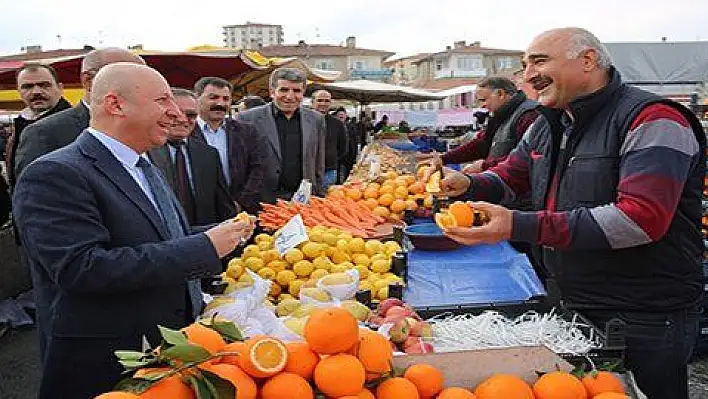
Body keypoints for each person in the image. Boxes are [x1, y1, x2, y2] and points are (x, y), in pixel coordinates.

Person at [440, 27, 705, 399]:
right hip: (574, 300)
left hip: (644, 312)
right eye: (524, 65)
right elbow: (513, 176)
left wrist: (519, 225)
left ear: (588, 60)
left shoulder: (653, 119)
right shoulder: (550, 124)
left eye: (539, 61)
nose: (528, 74)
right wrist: (470, 185)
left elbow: (638, 220)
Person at [12, 63, 254, 399]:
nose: (176, 113)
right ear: (115, 104)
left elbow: (160, 236)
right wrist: (203, 247)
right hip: (105, 362)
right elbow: (82, 268)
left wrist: (229, 233)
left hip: (162, 347)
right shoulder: (55, 173)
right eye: (162, 101)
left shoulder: (142, 163)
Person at [14, 47, 146, 180]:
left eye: (142, 80)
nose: (36, 92)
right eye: (125, 79)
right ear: (88, 81)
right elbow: (34, 193)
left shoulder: (150, 127)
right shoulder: (43, 134)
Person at [149, 88, 236, 225]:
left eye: (190, 115)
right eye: (175, 114)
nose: (183, 119)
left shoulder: (208, 154)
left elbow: (223, 206)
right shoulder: (145, 152)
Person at [237, 67, 326, 201]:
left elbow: (318, 162)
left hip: (302, 200)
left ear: (303, 93)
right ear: (272, 92)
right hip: (261, 199)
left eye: (296, 91)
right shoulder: (248, 118)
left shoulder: (316, 120)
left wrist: (318, 193)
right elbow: (240, 164)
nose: (290, 96)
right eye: (284, 90)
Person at [418, 77, 539, 175]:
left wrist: (484, 165)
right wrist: (444, 158)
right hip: (502, 186)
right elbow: (481, 143)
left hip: (520, 194)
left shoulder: (529, 115)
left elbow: (526, 158)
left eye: (483, 100)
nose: (482, 106)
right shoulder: (500, 115)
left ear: (501, 94)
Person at [192, 77, 267, 213]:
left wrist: (240, 203)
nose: (220, 103)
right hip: (199, 212)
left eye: (226, 99)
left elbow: (258, 169)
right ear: (197, 98)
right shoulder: (187, 133)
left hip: (240, 210)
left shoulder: (246, 131)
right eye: (213, 97)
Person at [6, 63, 71, 187]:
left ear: (60, 88)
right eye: (27, 87)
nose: (36, 92)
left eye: (44, 85)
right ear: (19, 91)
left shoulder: (75, 124)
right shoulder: (21, 123)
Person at [312, 89, 347, 189]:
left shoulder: (337, 124)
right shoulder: (303, 121)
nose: (323, 103)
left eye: (327, 101)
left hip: (329, 170)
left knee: (325, 200)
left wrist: (330, 157)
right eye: (319, 100)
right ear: (313, 102)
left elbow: (343, 149)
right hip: (306, 170)